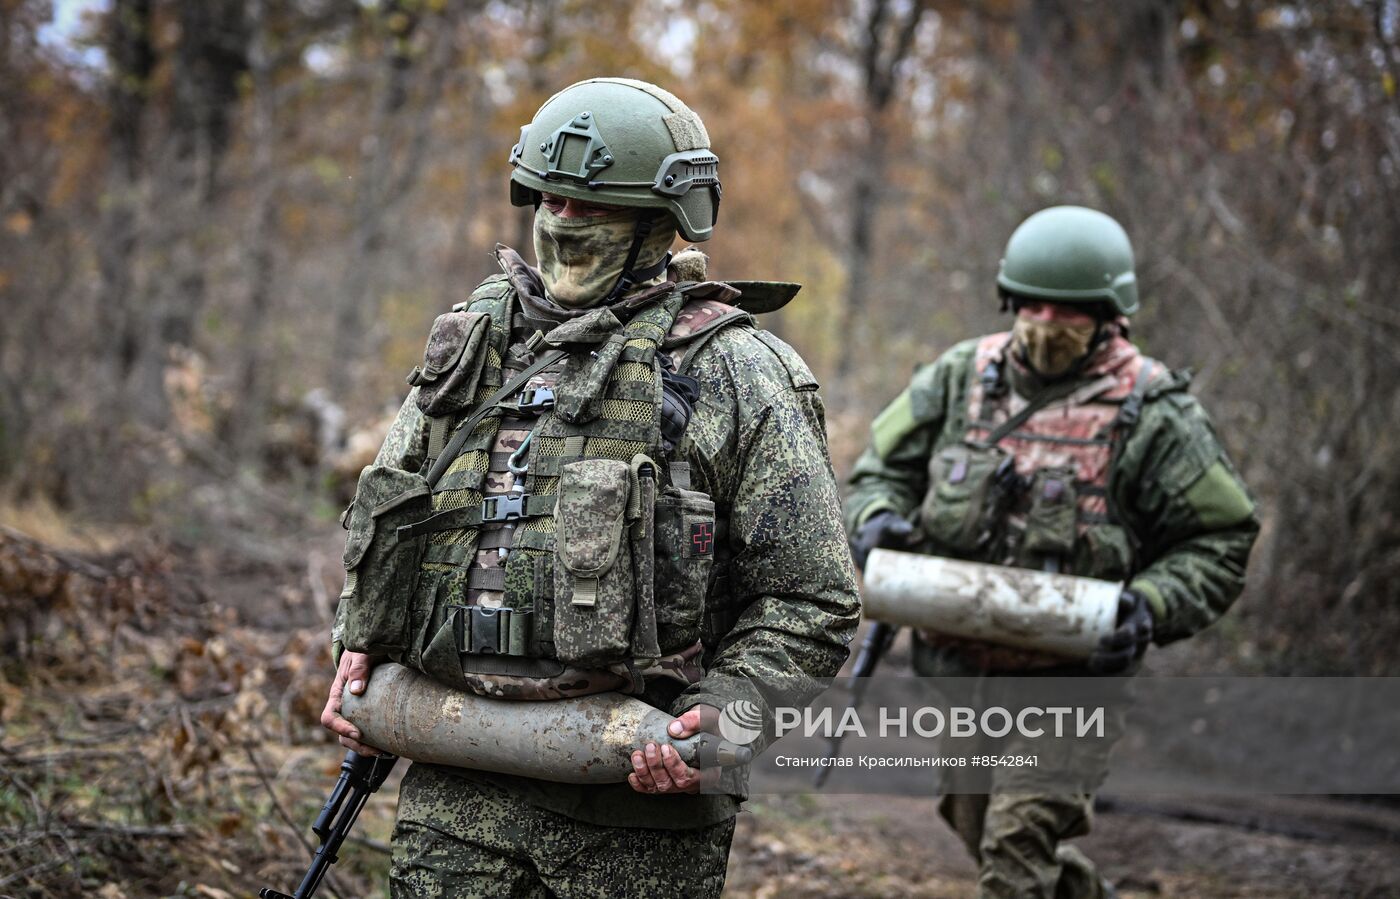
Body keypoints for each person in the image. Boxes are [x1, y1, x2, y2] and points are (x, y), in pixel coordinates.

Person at [319, 77, 860, 898]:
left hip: (640, 809)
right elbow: (390, 515)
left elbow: (813, 598)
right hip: (458, 789)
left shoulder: (740, 371)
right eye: (550, 199)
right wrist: (360, 646)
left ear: (659, 221)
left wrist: (728, 716)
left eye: (594, 205)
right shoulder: (475, 343)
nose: (563, 220)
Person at [844, 205, 1258, 898]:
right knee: (979, 829)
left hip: (1073, 684)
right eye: (1031, 306)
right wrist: (876, 518)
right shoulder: (959, 378)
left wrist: (1151, 605)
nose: (1045, 323)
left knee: (1015, 846)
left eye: (1067, 312)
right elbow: (880, 471)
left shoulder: (1154, 412)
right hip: (961, 674)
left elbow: (1221, 538)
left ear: (1108, 316)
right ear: (1010, 302)